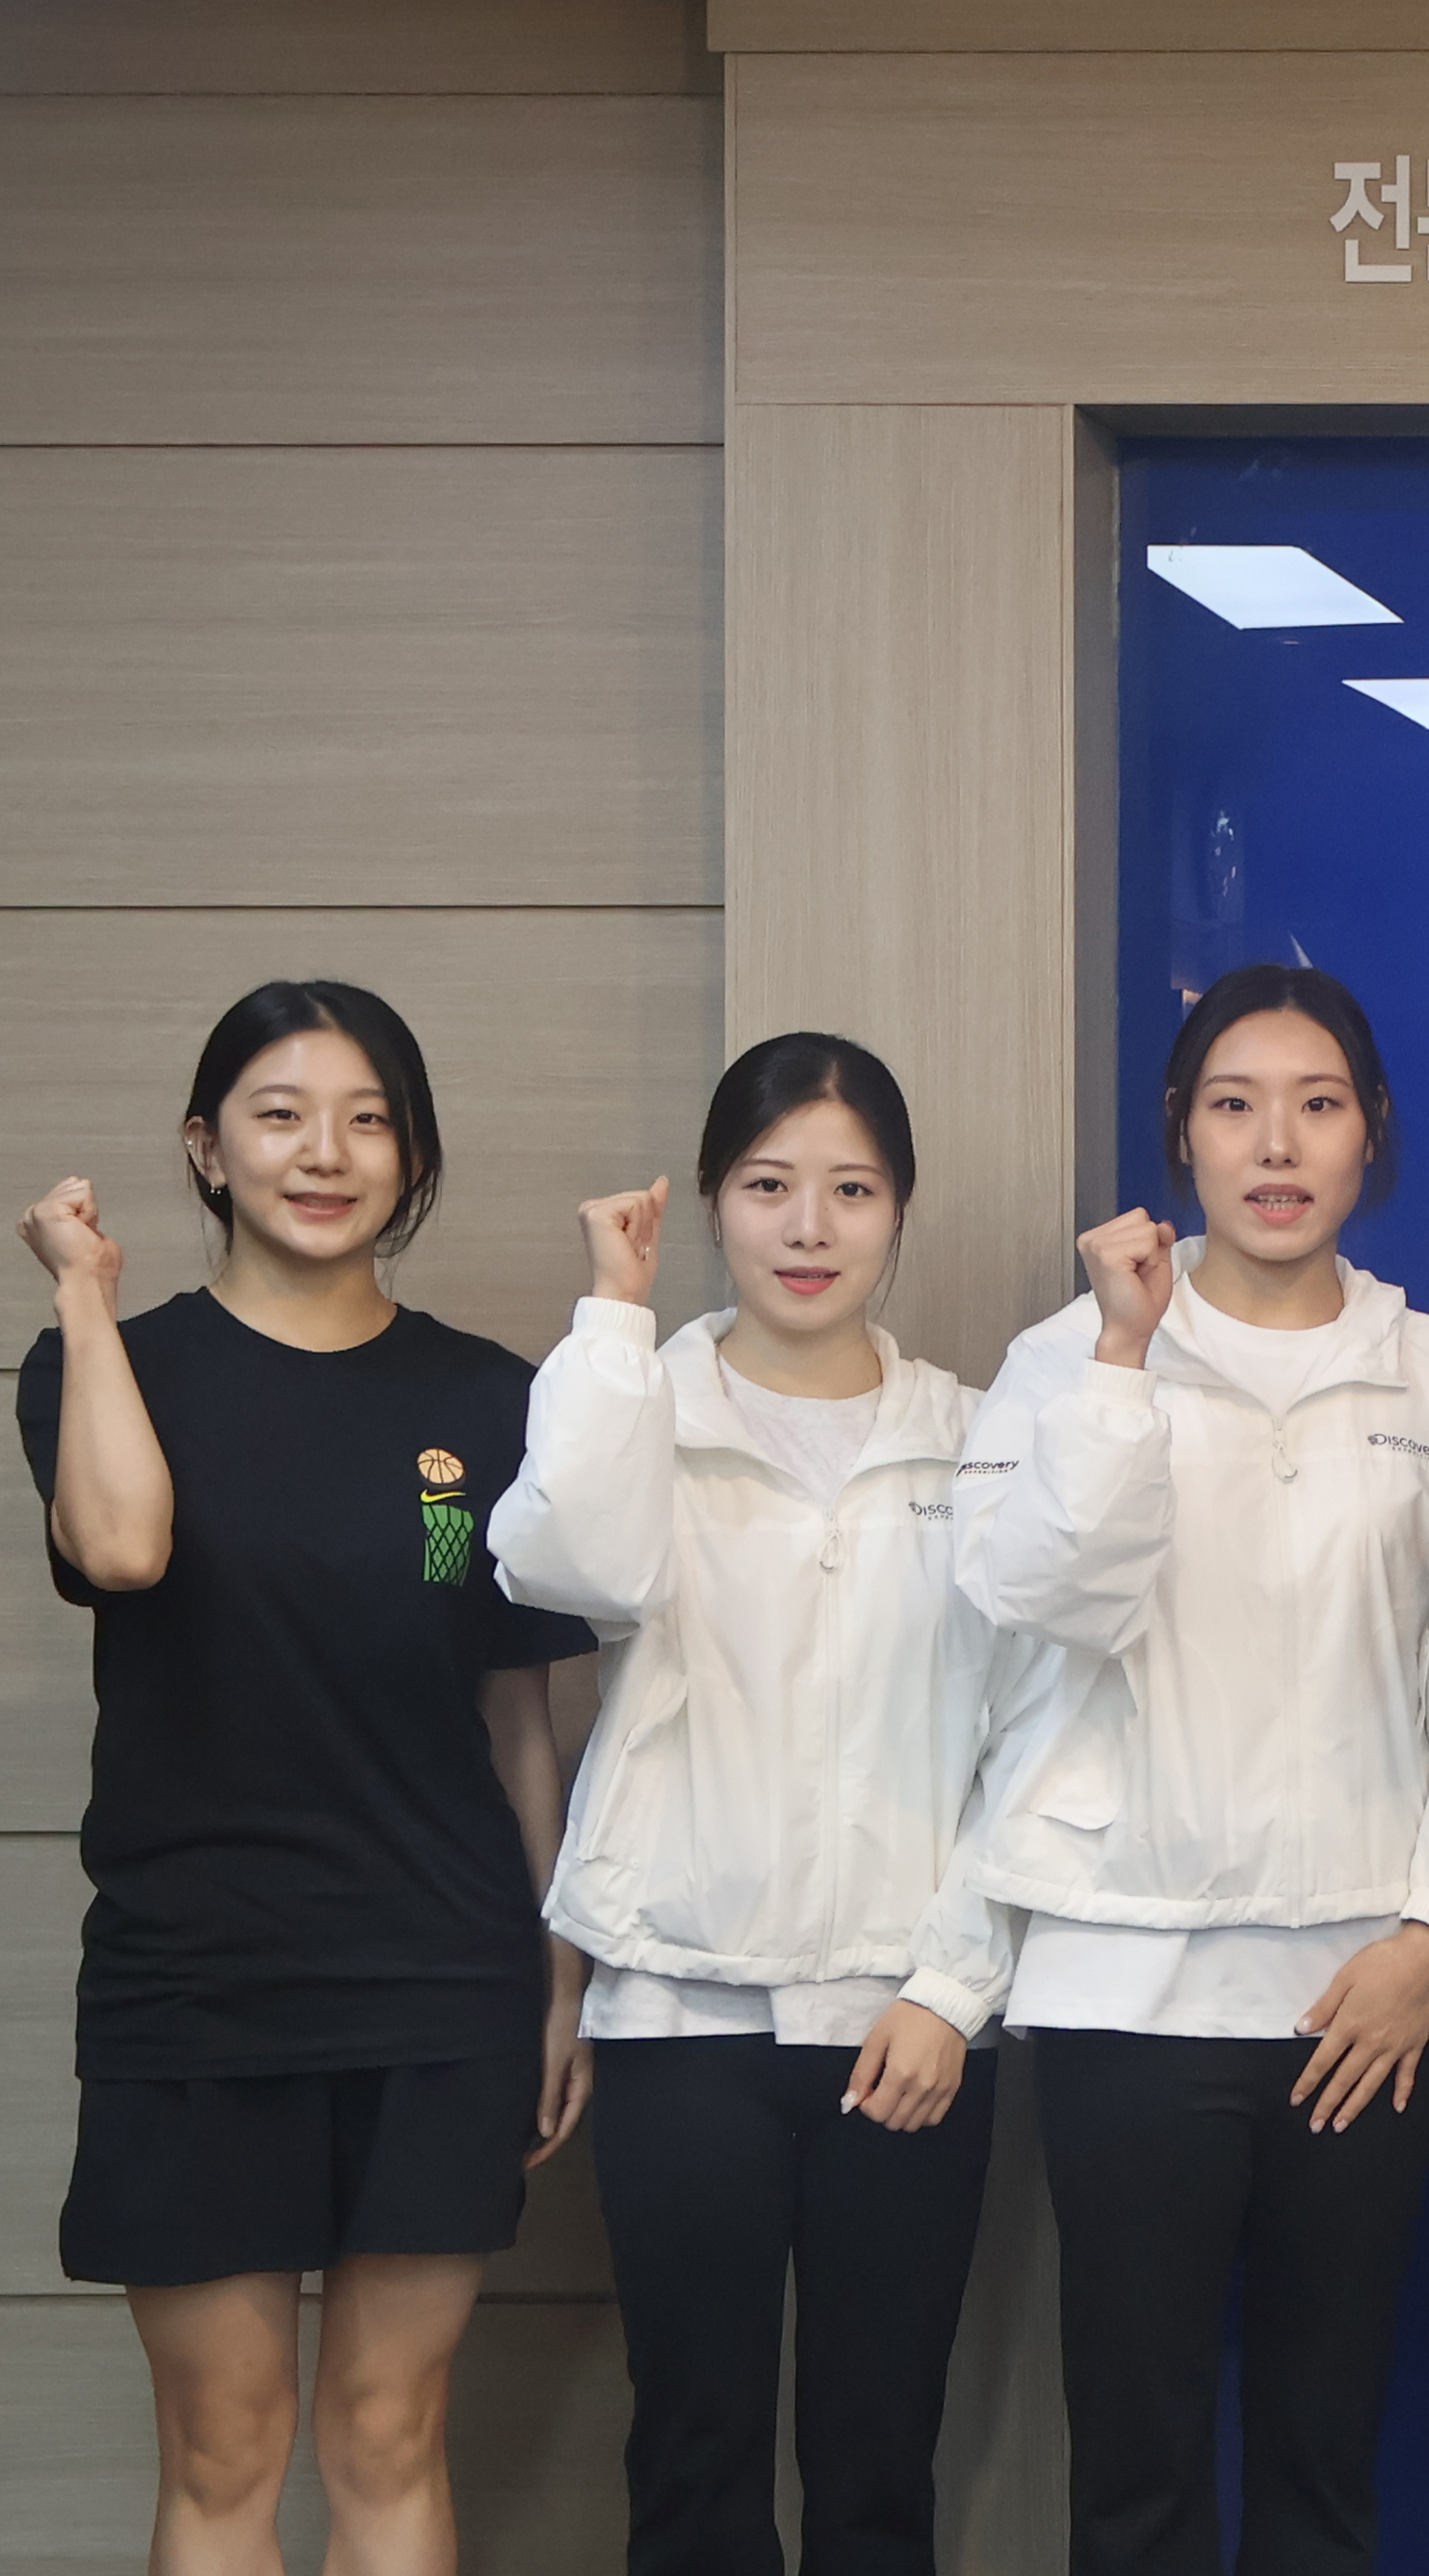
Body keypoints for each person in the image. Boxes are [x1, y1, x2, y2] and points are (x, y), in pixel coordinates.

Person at [955, 964, 1429, 2576]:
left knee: (1321, 2458)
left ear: (1372, 1133)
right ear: (1182, 1134)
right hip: (1123, 1981)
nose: (1277, 1144)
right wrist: (1122, 1360)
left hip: (1361, 1998)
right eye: (1235, 1106)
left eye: (1317, 1105)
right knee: (1137, 2470)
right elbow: (1035, 1600)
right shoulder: (1070, 1359)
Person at [14, 978, 595, 2574]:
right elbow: (121, 1548)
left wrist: (559, 1977)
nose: (325, 1153)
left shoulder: (488, 1401)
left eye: (367, 1120)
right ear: (207, 1149)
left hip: (440, 1979)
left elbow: (516, 1716)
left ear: (411, 1155)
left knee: (390, 2432)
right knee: (226, 2444)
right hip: (197, 1979)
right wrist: (82, 1296)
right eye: (279, 1116)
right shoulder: (102, 1365)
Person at [486, 1033, 1011, 2576]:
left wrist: (954, 1988)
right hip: (679, 2013)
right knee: (694, 2459)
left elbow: (1031, 1740)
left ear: (900, 1210)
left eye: (852, 1189)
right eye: (770, 1186)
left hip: (906, 2024)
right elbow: (564, 1566)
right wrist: (610, 1315)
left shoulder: (977, 1435)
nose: (809, 1227)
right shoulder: (632, 1400)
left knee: (878, 2462)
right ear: (714, 1200)